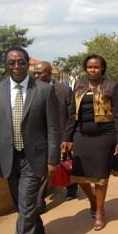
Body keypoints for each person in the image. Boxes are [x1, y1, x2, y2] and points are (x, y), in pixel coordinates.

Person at [0, 47, 60, 234]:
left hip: (34, 157)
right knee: (20, 203)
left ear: (28, 65)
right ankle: (36, 229)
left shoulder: (44, 90)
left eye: (20, 62)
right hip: (7, 157)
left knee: (26, 203)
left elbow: (53, 128)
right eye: (11, 63)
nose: (16, 67)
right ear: (6, 65)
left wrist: (52, 159)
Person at [63, 54, 118, 231]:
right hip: (81, 135)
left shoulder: (111, 87)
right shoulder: (79, 85)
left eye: (96, 67)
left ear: (102, 68)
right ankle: (92, 199)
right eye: (90, 67)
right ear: (85, 68)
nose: (93, 70)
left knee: (100, 176)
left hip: (105, 135)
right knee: (79, 173)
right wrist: (67, 137)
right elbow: (71, 114)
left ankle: (99, 212)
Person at [33, 61, 79, 201]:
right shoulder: (30, 91)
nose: (36, 76)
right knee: (41, 169)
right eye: (34, 73)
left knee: (66, 165)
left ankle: (71, 188)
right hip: (40, 139)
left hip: (61, 137)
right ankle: (39, 201)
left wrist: (67, 137)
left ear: (49, 73)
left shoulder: (64, 91)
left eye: (39, 73)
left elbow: (72, 116)